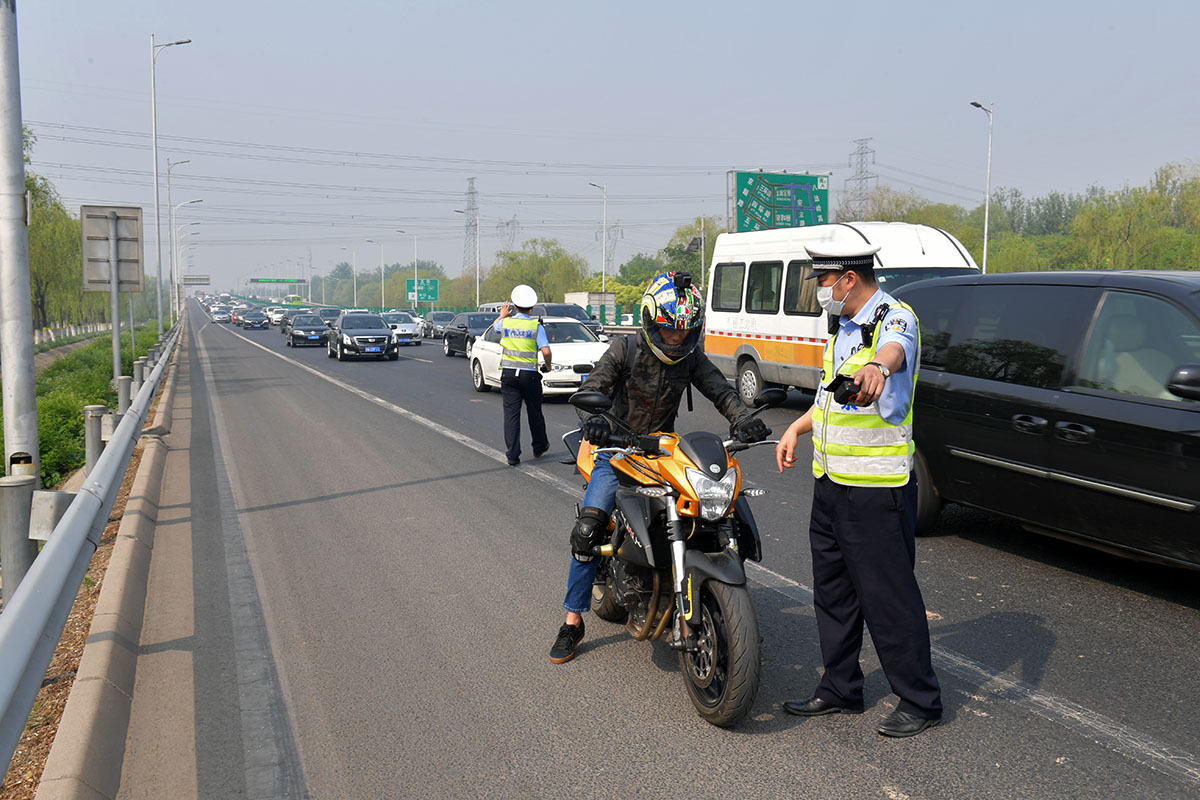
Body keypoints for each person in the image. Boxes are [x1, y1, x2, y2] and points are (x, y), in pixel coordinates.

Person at [549, 271, 769, 664]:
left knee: (716, 509)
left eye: (684, 333)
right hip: (615, 450)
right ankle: (571, 620)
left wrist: (741, 418)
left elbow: (720, 389)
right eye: (668, 331)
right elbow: (592, 389)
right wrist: (595, 420)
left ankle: (723, 607)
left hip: (663, 450)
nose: (675, 339)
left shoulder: (690, 357)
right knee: (588, 531)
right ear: (651, 322)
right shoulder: (624, 349)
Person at [774, 243, 943, 738]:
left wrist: (879, 369)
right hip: (830, 484)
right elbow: (832, 400)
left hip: (875, 488)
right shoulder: (841, 329)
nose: (820, 292)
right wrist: (795, 429)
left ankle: (919, 699)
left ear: (848, 279)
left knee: (888, 597)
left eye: (823, 282)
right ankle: (840, 687)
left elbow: (890, 354)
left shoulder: (895, 317)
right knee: (833, 594)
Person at [494, 285, 553, 466]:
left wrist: (503, 314)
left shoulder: (506, 323)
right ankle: (539, 446)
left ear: (514, 306)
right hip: (530, 376)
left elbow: (495, 326)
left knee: (511, 415)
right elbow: (546, 350)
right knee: (535, 412)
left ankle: (512, 455)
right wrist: (548, 366)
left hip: (509, 375)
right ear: (532, 308)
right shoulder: (535, 326)